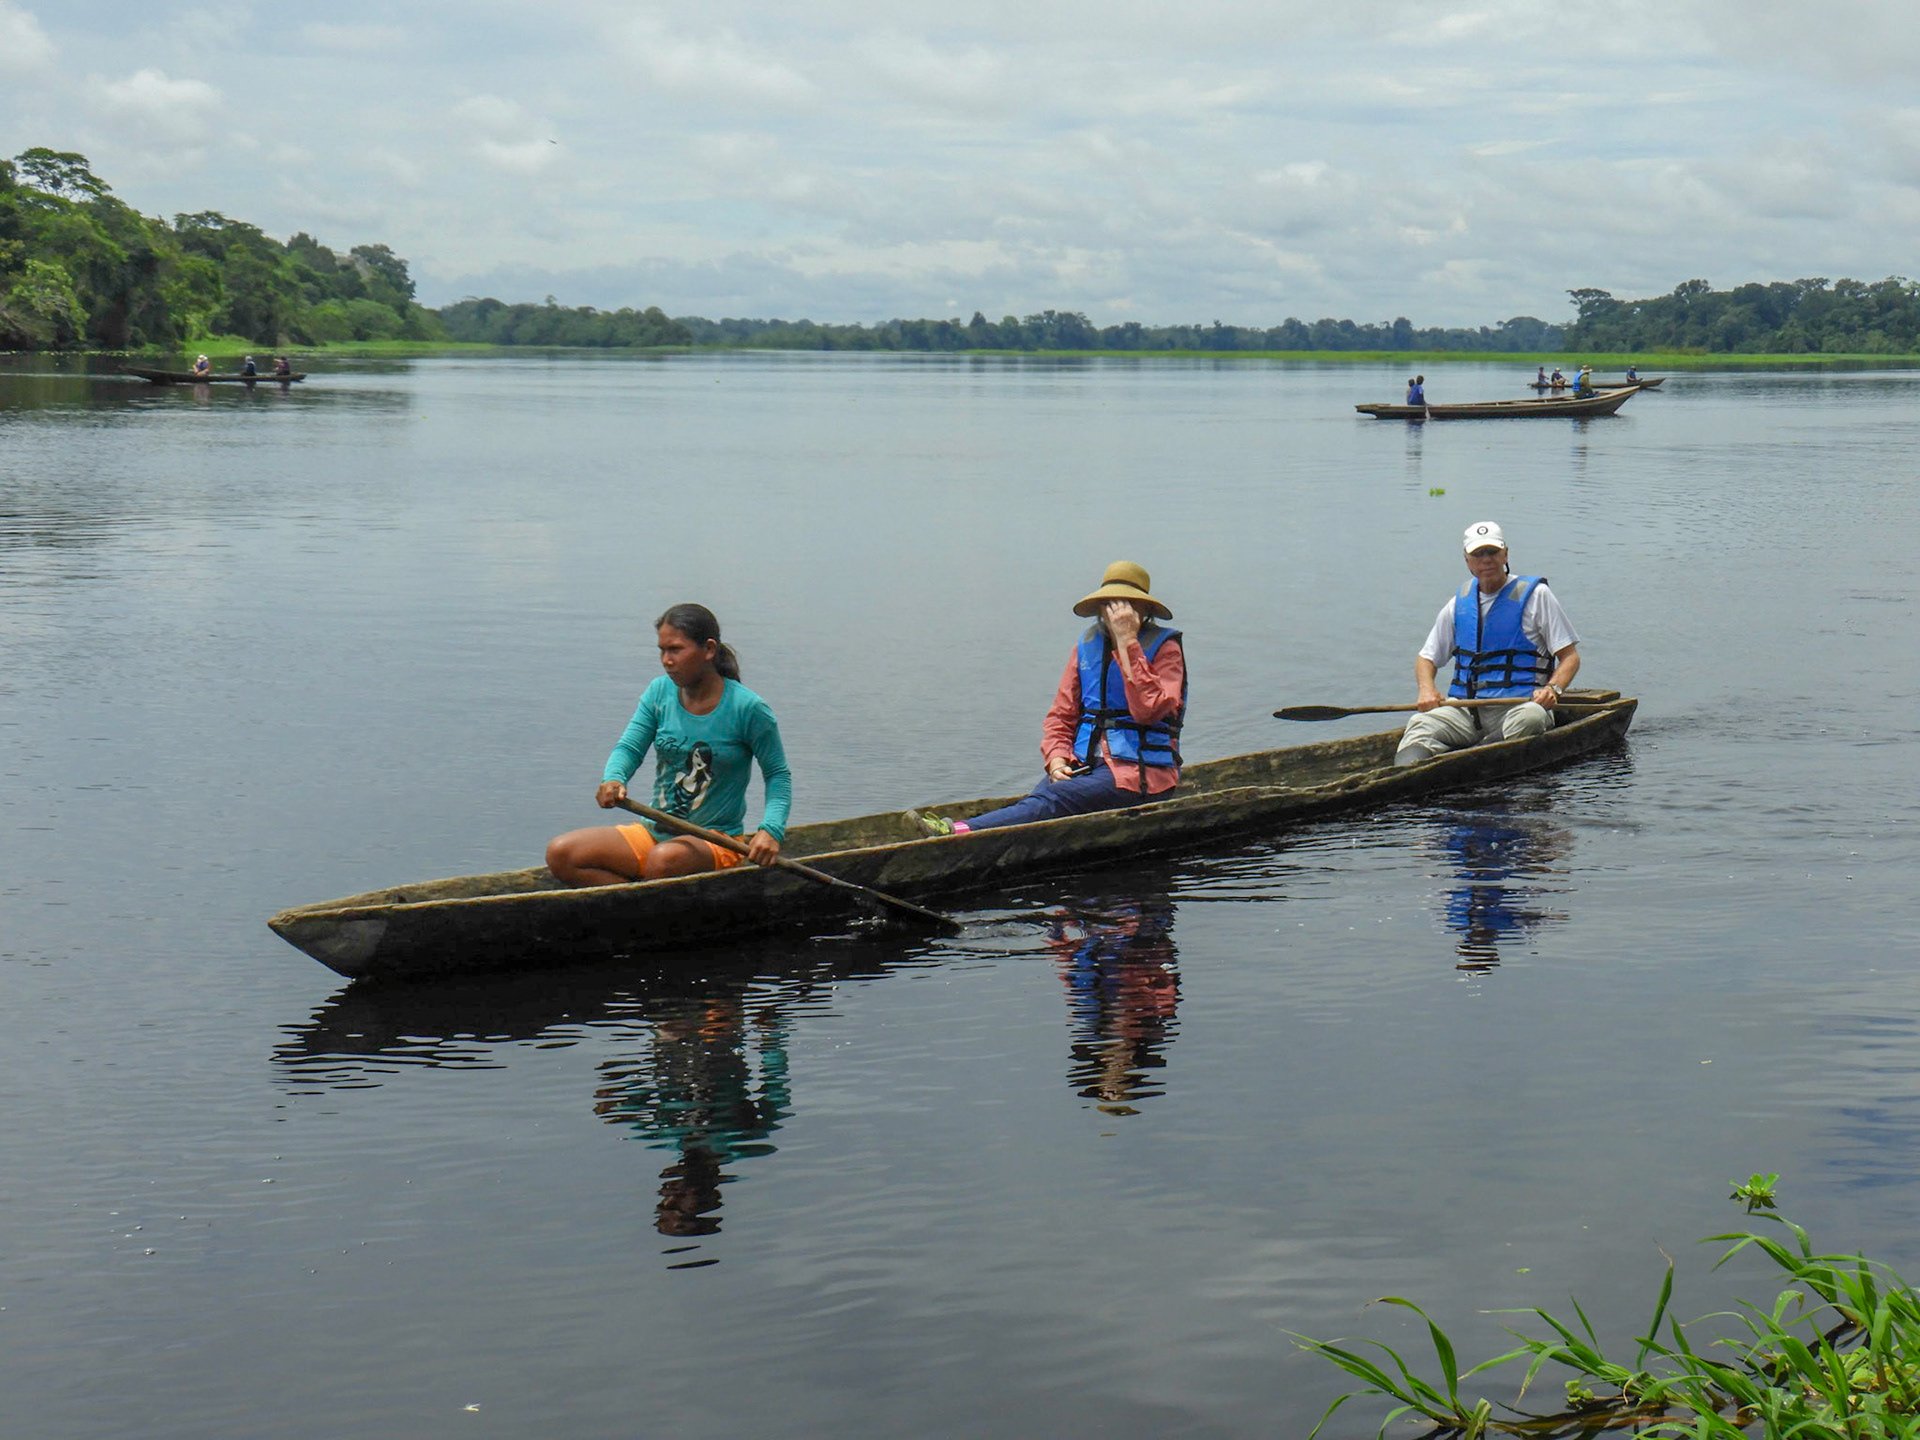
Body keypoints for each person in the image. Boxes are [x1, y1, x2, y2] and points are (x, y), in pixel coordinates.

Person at [908, 561, 1186, 835]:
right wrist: (1057, 759)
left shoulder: (1166, 650)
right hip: (1086, 765)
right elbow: (1061, 717)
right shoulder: (1087, 647)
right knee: (1040, 801)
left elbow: (1148, 711)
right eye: (1110, 604)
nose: (1116, 613)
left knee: (1051, 802)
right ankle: (965, 829)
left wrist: (1128, 643)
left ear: (1144, 610)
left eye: (1126, 605)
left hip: (1140, 774)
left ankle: (957, 830)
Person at [546, 603, 791, 885]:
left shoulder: (748, 708)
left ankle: (641, 908)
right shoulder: (659, 692)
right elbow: (629, 748)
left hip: (716, 842)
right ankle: (631, 908)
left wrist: (770, 830)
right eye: (662, 650)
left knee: (663, 861)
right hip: (655, 833)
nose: (666, 660)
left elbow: (777, 775)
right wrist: (614, 778)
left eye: (675, 649)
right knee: (561, 853)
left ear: (709, 650)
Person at [1394, 521, 1581, 767]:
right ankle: (1406, 774)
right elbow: (1426, 659)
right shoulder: (1458, 604)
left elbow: (1570, 657)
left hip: (1518, 706)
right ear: (1467, 560)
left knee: (1533, 718)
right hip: (1467, 711)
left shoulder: (1537, 597)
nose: (1486, 560)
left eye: (1492, 552)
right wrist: (1426, 689)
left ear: (1505, 554)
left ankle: (1473, 758)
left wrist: (1553, 689)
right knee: (1420, 724)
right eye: (1478, 554)